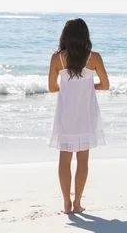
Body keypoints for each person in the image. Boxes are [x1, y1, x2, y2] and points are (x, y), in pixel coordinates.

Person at [48, 18, 109, 214]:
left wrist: (67, 87)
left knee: (64, 160)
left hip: (66, 114)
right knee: (83, 160)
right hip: (86, 114)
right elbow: (105, 85)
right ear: (85, 35)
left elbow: (51, 88)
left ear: (65, 36)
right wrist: (89, 87)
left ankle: (66, 204)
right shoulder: (94, 58)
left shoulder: (57, 59)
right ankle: (78, 204)